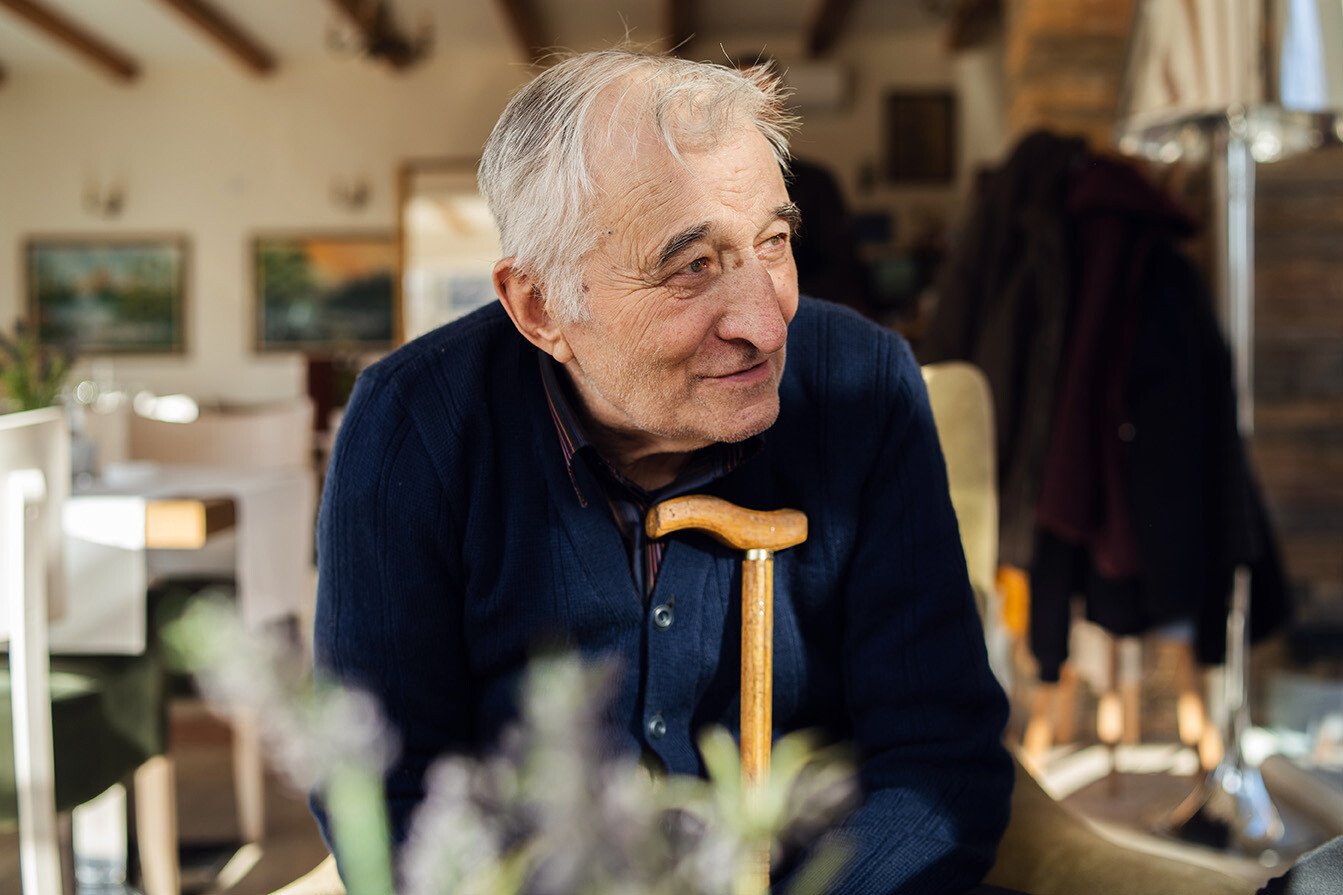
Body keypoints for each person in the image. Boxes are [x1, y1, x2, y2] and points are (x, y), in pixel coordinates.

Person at [313, 50, 1012, 894]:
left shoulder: (864, 383)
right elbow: (386, 790)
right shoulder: (411, 426)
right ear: (540, 306)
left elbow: (939, 757)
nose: (764, 321)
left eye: (774, 242)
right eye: (692, 266)